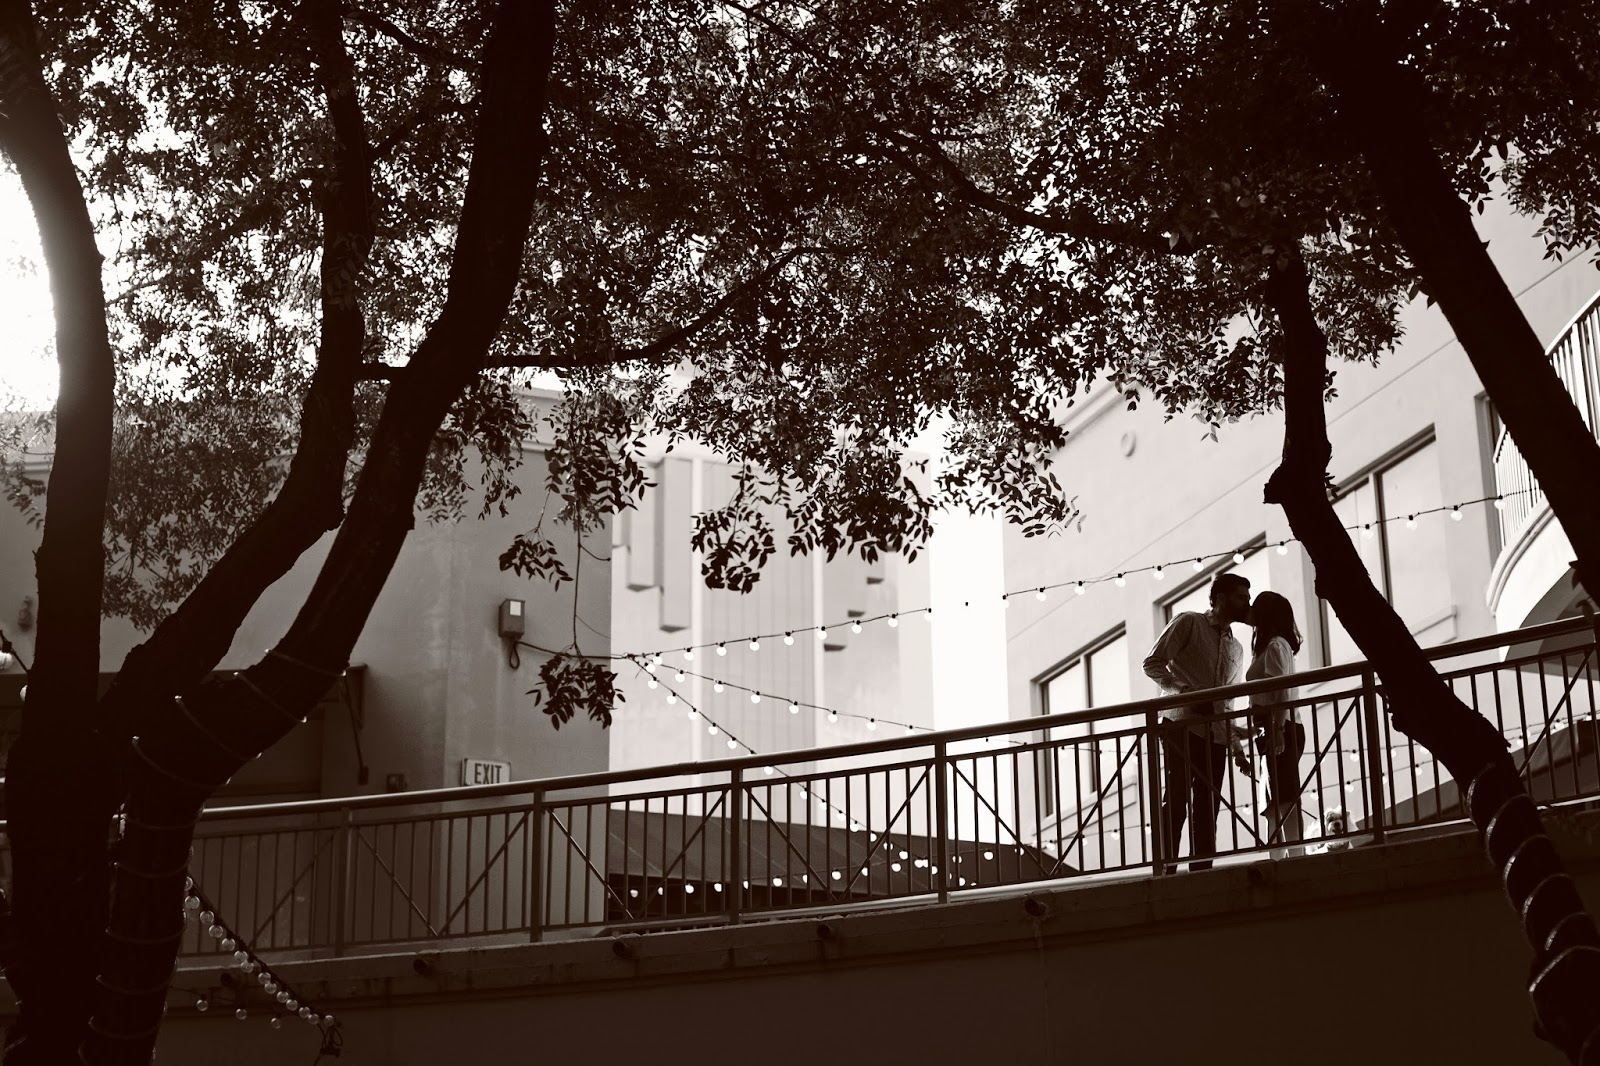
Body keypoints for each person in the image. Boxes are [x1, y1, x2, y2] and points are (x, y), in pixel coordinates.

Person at [1143, 572, 1252, 872]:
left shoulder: (1237, 648)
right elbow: (1152, 663)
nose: (1247, 603)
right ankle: (1166, 871)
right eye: (1241, 597)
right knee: (1176, 800)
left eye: (1248, 597)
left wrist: (1237, 749)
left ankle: (1202, 873)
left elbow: (1227, 704)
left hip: (1215, 736)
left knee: (1208, 808)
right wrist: (1185, 692)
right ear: (1220, 599)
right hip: (1180, 725)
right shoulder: (1189, 622)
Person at [1247, 591, 1306, 859]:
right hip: (1271, 728)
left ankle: (1294, 857)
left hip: (1281, 726)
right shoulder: (1268, 647)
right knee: (1273, 802)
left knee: (1284, 800)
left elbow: (1282, 689)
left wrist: (1278, 729)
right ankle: (1279, 858)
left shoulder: (1275, 646)